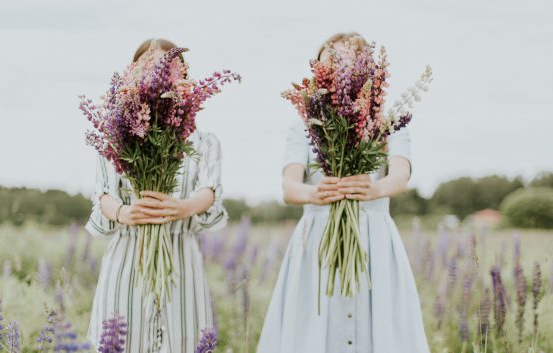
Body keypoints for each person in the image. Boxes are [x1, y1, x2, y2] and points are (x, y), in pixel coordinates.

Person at [256, 33, 431, 353]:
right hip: (317, 237)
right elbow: (289, 187)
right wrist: (314, 193)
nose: (334, 67)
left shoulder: (389, 122)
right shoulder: (303, 124)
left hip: (374, 237)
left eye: (343, 59)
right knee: (314, 325)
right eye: (328, 60)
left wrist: (374, 188)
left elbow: (401, 176)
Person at [85, 38, 228, 353]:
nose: (159, 72)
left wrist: (185, 207)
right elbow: (103, 194)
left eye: (169, 65)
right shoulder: (117, 136)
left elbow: (210, 189)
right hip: (127, 259)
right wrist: (124, 213)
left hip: (181, 261)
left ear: (184, 75)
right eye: (149, 65)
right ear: (133, 73)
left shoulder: (205, 142)